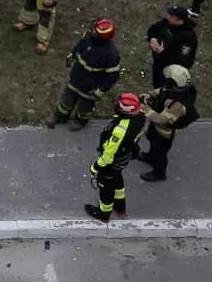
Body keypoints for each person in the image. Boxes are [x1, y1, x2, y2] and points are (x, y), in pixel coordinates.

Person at [47, 18, 121, 130]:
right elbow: (80, 45)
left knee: (84, 107)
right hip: (76, 78)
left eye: (96, 31)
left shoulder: (110, 54)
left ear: (103, 37)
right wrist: (72, 55)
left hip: (91, 86)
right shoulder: (88, 37)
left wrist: (99, 91)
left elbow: (113, 76)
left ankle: (81, 121)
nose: (93, 31)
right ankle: (60, 117)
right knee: (66, 100)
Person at [85, 93, 146, 222]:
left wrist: (95, 167)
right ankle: (120, 207)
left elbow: (108, 156)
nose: (117, 106)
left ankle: (103, 213)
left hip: (113, 162)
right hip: (125, 156)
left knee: (105, 187)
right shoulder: (140, 117)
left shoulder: (119, 131)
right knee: (117, 180)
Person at [138, 65, 196, 183]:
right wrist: (151, 94)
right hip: (157, 128)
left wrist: (145, 109)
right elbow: (162, 90)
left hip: (165, 133)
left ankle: (159, 172)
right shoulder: (174, 88)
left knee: (160, 152)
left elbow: (161, 119)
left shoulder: (178, 105)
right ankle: (150, 156)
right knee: (152, 138)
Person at [145, 5, 198, 87]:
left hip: (170, 73)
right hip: (158, 63)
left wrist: (163, 52)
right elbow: (154, 29)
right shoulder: (167, 22)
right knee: (155, 85)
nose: (167, 16)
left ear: (179, 20)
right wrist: (153, 39)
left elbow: (185, 61)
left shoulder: (188, 37)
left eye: (171, 15)